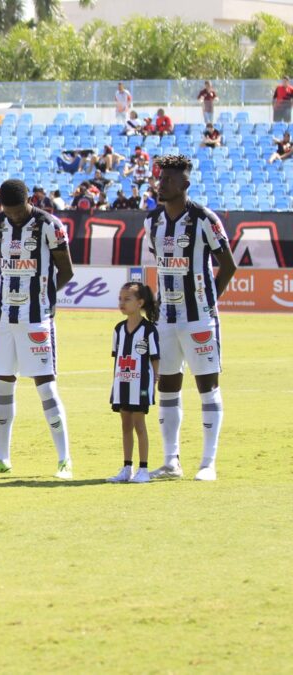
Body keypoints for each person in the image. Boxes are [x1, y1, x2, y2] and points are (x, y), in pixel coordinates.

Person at [0, 179, 75, 479]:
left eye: (18, 210)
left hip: (36, 317)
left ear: (29, 200)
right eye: (8, 210)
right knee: (1, 384)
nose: (14, 216)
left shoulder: (48, 225)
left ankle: (64, 459)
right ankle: (1, 457)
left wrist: (44, 297)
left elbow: (66, 270)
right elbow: (3, 264)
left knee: (45, 385)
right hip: (3, 316)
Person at [146, 154, 237, 481]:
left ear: (185, 183)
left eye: (168, 180)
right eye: (159, 178)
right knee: (167, 386)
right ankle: (171, 461)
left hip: (199, 318)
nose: (161, 184)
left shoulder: (204, 219)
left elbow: (228, 266)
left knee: (206, 385)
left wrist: (207, 301)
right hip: (165, 319)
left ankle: (208, 463)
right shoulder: (152, 221)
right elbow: (161, 261)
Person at [107, 282, 160, 484]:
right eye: (120, 299)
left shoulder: (148, 330)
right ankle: (127, 468)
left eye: (127, 299)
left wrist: (154, 380)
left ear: (140, 303)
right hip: (122, 385)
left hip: (141, 386)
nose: (122, 303)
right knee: (125, 425)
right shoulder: (118, 329)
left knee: (139, 425)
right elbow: (117, 357)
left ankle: (143, 469)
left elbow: (155, 358)